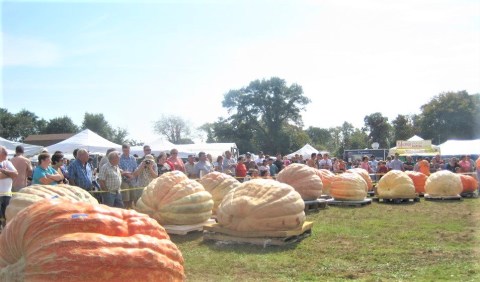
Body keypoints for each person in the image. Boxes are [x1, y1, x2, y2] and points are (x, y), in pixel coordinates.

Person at [0, 146, 18, 226]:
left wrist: (4, 170)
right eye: (5, 153)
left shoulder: (7, 163)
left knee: (7, 217)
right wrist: (10, 174)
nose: (6, 155)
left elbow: (16, 174)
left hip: (7, 194)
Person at [119, 144, 138, 208]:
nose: (126, 151)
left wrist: (132, 176)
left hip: (132, 180)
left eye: (128, 150)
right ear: (122, 150)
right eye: (125, 150)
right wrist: (128, 176)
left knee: (132, 198)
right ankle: (125, 211)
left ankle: (130, 211)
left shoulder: (133, 158)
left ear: (129, 149)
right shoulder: (119, 158)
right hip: (124, 180)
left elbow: (135, 168)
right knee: (125, 198)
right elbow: (120, 169)